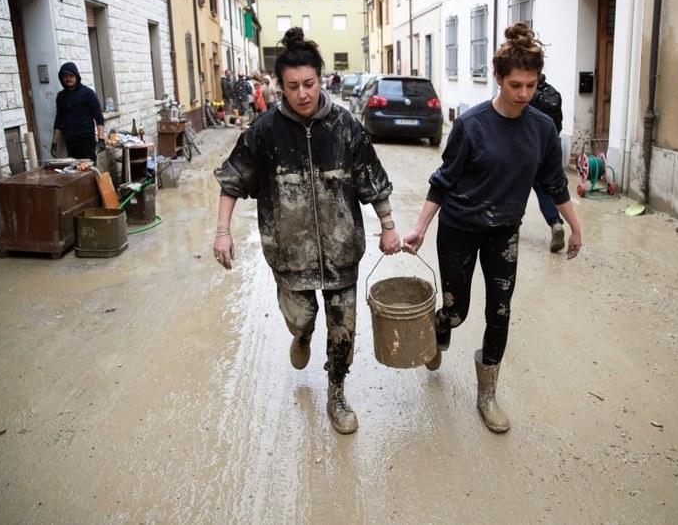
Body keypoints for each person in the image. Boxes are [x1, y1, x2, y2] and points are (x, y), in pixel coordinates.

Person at [212, 27, 403, 435]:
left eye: (310, 84)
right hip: (289, 252)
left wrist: (388, 227)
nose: (303, 94)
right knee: (302, 318)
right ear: (280, 87)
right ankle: (301, 336)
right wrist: (222, 231)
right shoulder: (263, 133)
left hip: (341, 252)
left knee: (344, 327)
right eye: (293, 86)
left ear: (321, 79)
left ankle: (337, 391)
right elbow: (232, 181)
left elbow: (372, 180)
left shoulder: (345, 126)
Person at [402, 23, 582, 434]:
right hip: (459, 229)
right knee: (458, 309)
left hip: (504, 232)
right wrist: (420, 228)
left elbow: (554, 182)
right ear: (498, 78)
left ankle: (487, 394)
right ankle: (440, 326)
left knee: (499, 312)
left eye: (531, 85)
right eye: (515, 84)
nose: (523, 94)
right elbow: (442, 180)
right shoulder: (471, 125)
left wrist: (574, 227)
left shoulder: (542, 128)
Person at [528, 74, 566, 252]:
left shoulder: (527, 95)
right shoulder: (552, 93)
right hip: (551, 148)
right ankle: (555, 222)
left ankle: (508, 226)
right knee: (546, 191)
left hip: (530, 149)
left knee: (513, 188)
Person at [51, 62, 105, 162]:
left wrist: (101, 139)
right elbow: (59, 120)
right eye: (65, 76)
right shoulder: (61, 96)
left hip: (86, 141)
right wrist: (54, 143)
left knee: (88, 170)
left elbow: (99, 117)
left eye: (71, 75)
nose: (68, 78)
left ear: (77, 76)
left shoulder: (88, 93)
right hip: (70, 142)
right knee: (74, 170)